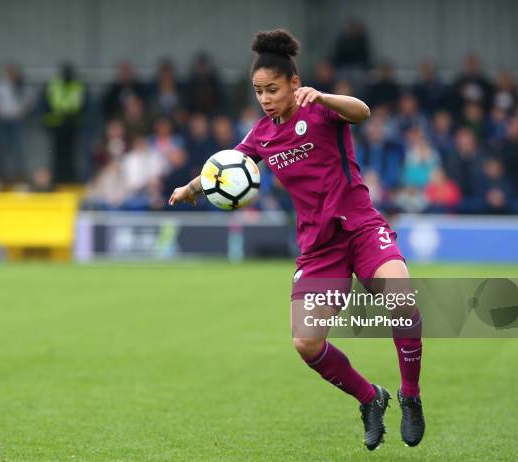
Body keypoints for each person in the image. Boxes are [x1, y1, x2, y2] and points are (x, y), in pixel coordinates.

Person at [168, 29, 424, 450]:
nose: (265, 98)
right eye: (258, 92)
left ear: (293, 82)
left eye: (272, 89)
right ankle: (370, 398)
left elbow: (362, 111)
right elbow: (226, 167)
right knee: (306, 342)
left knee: (402, 298)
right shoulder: (263, 135)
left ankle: (410, 396)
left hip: (359, 225)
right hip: (318, 244)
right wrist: (190, 189)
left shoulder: (321, 110)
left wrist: (322, 96)